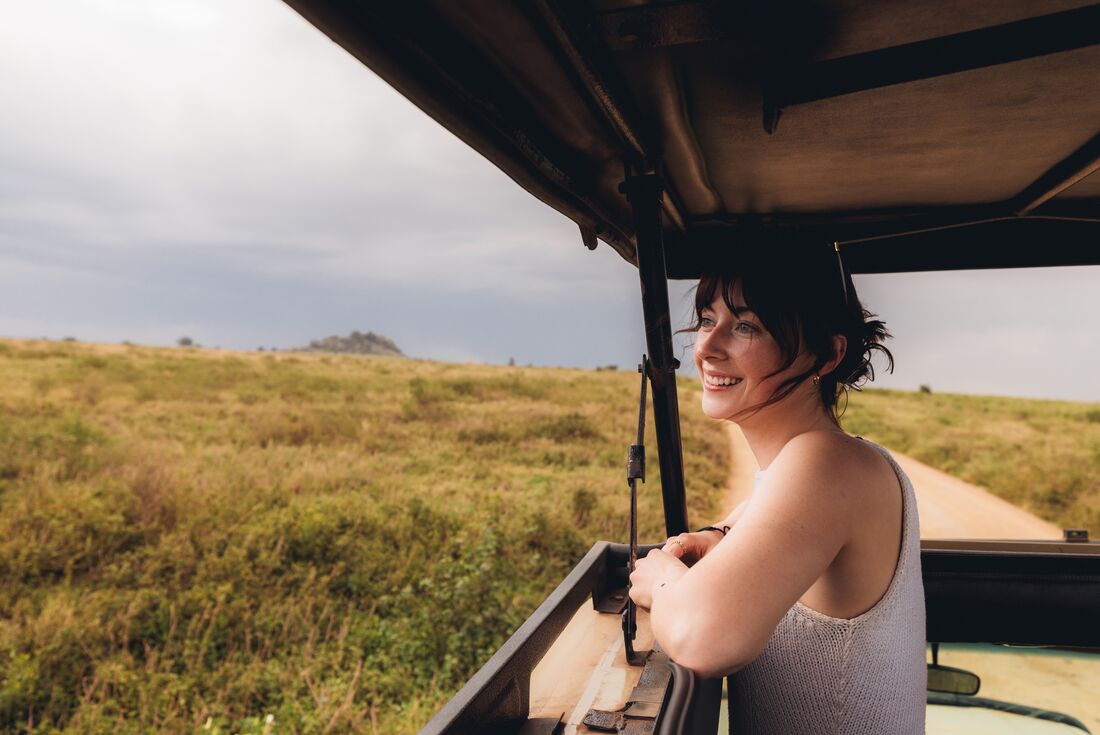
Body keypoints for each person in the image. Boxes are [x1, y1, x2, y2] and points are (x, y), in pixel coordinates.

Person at [628, 243, 926, 734]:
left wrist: (662, 580)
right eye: (707, 319)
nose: (706, 347)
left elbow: (703, 638)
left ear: (828, 355)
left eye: (746, 325)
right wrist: (719, 538)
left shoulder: (827, 463)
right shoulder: (822, 459)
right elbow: (760, 521)